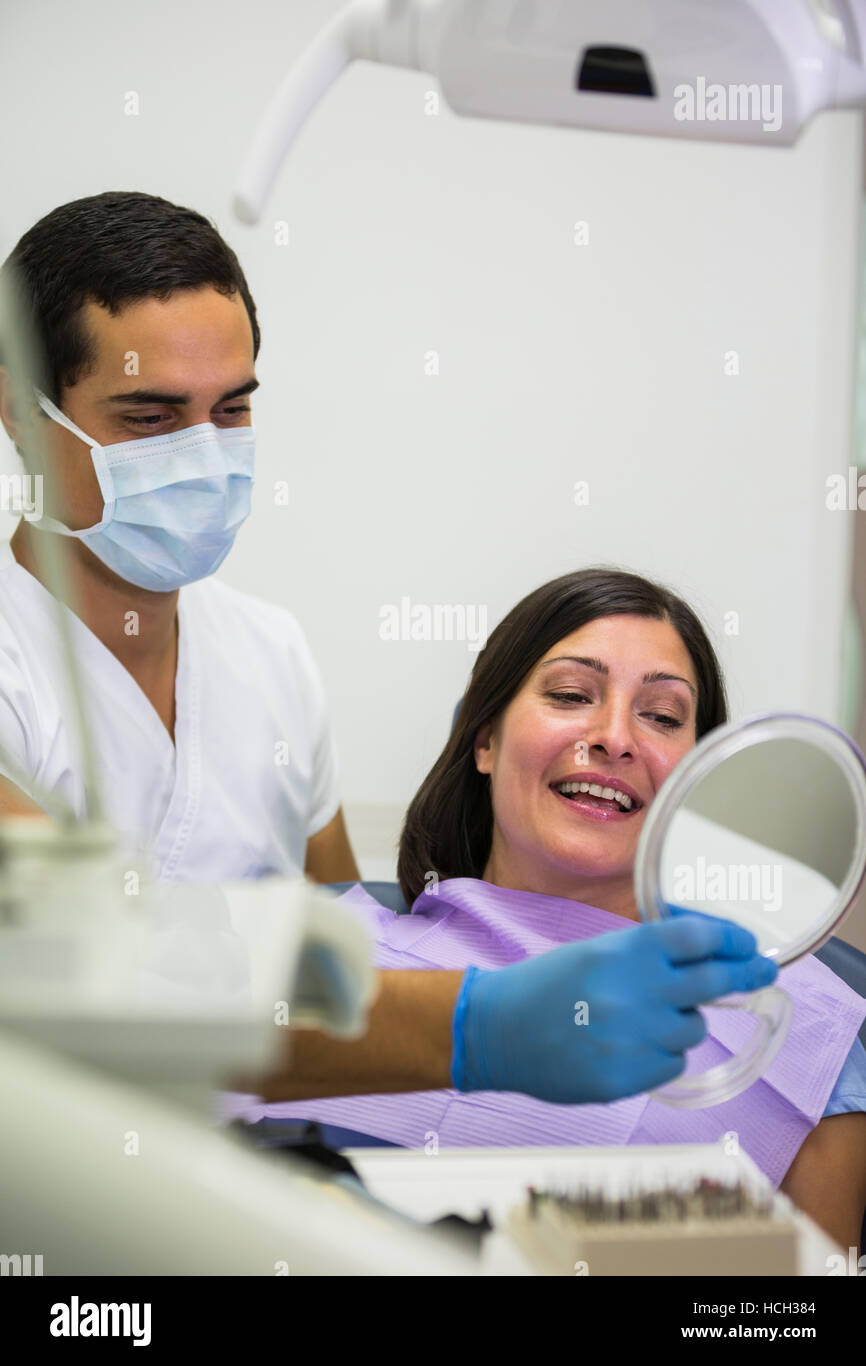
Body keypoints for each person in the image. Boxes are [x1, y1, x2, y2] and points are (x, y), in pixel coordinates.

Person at [0, 191, 778, 1112]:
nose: (204, 457)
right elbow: (85, 966)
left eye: (233, 410)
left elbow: (353, 943)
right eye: (152, 419)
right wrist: (476, 1026)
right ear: (19, 411)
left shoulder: (268, 657)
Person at [228, 569, 866, 1251]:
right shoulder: (323, 955)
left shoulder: (801, 1027)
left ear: (695, 776)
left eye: (662, 716)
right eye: (570, 694)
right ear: (485, 741)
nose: (616, 737)